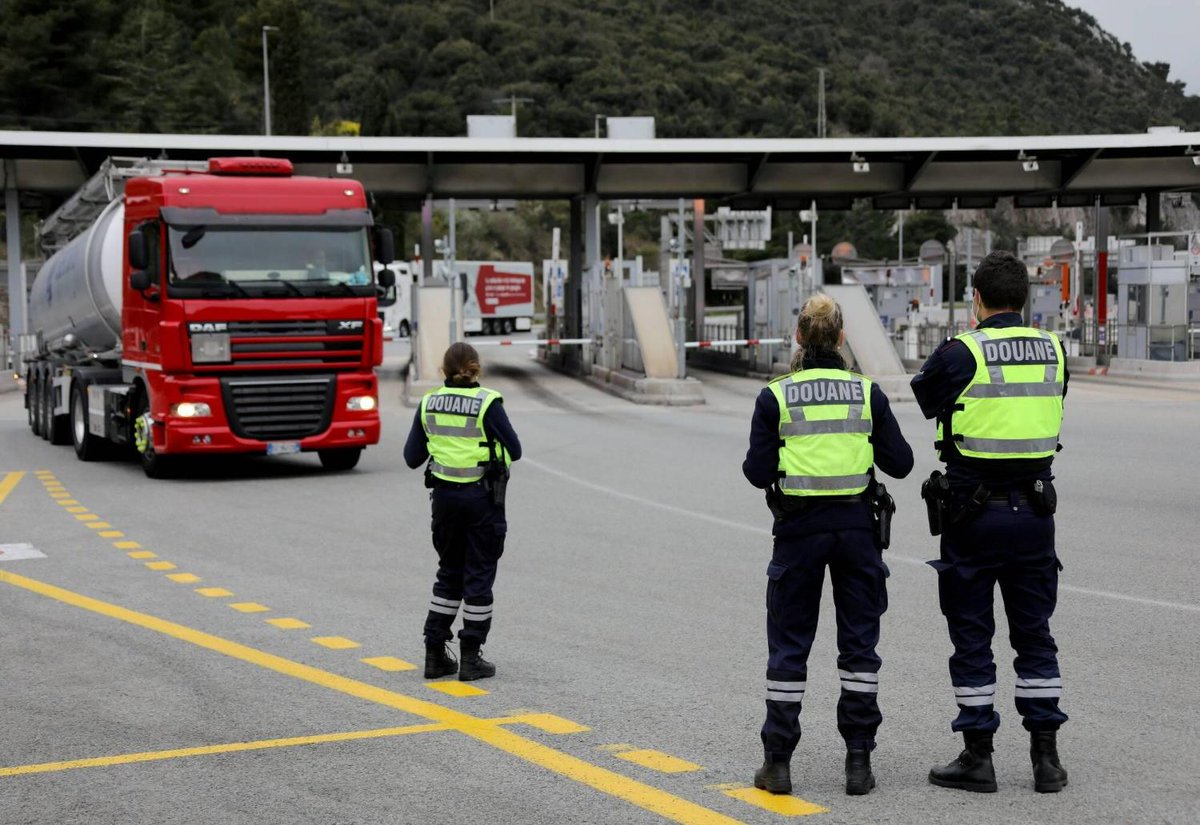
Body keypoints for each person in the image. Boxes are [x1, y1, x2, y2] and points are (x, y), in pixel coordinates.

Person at [911, 250, 1070, 794]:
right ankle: (1046, 760)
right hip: (1035, 514)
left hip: (972, 515)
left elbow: (925, 397)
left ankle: (979, 757)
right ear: (1024, 299)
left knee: (973, 636)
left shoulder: (962, 353)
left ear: (976, 299)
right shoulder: (1054, 349)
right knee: (1035, 635)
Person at [743, 293, 913, 797]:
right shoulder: (867, 395)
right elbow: (900, 463)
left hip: (798, 535)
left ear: (799, 337)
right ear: (841, 339)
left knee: (790, 648)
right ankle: (858, 763)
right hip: (858, 534)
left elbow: (756, 473)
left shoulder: (776, 396)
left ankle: (778, 765)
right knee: (859, 647)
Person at [404, 342, 521, 681]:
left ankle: (434, 652)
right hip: (482, 500)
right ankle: (471, 657)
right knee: (479, 575)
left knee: (450, 572)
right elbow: (515, 449)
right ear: (476, 368)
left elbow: (412, 458)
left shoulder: (429, 402)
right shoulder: (488, 402)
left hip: (444, 502)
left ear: (443, 370)